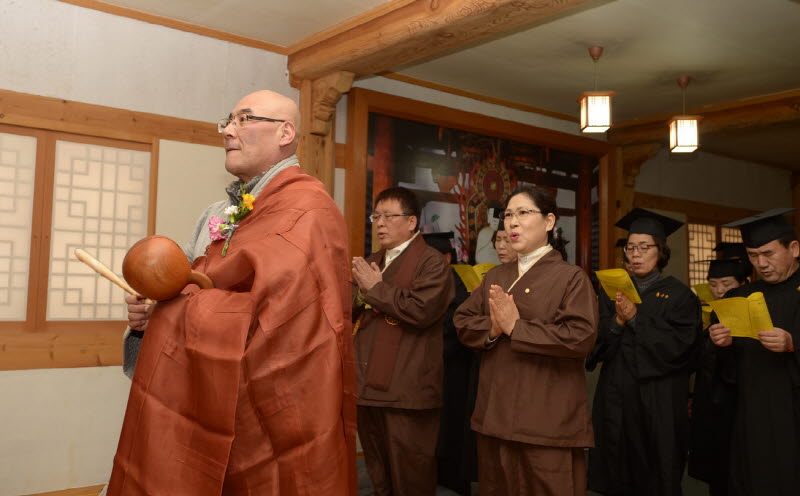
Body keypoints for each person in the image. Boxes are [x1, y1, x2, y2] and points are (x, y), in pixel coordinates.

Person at [111, 90, 357, 495]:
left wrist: (177, 312)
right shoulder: (218, 214)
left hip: (274, 406)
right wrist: (151, 315)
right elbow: (189, 288)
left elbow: (287, 319)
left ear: (285, 133)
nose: (227, 130)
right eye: (228, 120)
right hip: (210, 392)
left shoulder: (309, 209)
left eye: (244, 119)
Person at [454, 186, 598, 496]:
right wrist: (494, 328)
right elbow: (462, 321)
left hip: (545, 420)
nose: (512, 222)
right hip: (496, 414)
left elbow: (580, 337)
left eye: (523, 213)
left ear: (549, 222)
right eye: (508, 215)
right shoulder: (496, 276)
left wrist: (517, 328)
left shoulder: (571, 277)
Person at [587, 208, 702, 496]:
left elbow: (683, 348)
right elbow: (596, 345)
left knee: (656, 470)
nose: (635, 254)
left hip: (658, 398)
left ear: (660, 251)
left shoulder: (680, 295)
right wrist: (617, 323)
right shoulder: (611, 291)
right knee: (615, 463)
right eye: (630, 247)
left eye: (644, 247)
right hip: (616, 394)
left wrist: (636, 319)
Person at [351, 187, 455, 496]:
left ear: (411, 222)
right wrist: (360, 293)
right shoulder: (373, 260)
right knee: (378, 471)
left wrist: (375, 290)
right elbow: (348, 303)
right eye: (376, 217)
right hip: (367, 383)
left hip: (408, 388)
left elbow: (422, 310)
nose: (380, 224)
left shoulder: (432, 262)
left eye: (388, 216)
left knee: (411, 474)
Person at [708, 208, 800, 496]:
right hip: (751, 410)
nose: (761, 263)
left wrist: (793, 343)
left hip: (794, 411)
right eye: (753, 255)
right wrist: (720, 343)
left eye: (768, 253)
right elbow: (724, 368)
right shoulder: (740, 297)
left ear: (794, 249)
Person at [688, 242, 750, 495]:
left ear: (744, 283)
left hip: (739, 402)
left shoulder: (753, 312)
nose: (719, 290)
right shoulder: (713, 313)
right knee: (716, 468)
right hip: (711, 401)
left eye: (726, 283)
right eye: (713, 284)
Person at [423, 232, 477, 496]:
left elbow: (458, 323)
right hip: (428, 365)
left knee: (452, 423)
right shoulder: (426, 281)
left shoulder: (460, 282)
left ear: (446, 258)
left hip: (453, 364)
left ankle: (454, 478)